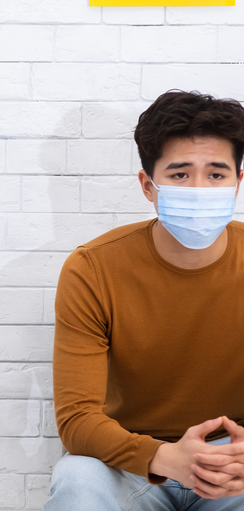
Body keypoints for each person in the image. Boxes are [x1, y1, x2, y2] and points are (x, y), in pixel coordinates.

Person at [47, 90, 244, 509]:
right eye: (179, 174)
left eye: (215, 174)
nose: (198, 187)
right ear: (148, 186)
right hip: (129, 462)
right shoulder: (93, 269)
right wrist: (166, 458)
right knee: (77, 478)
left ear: (238, 182)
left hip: (234, 463)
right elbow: (76, 419)